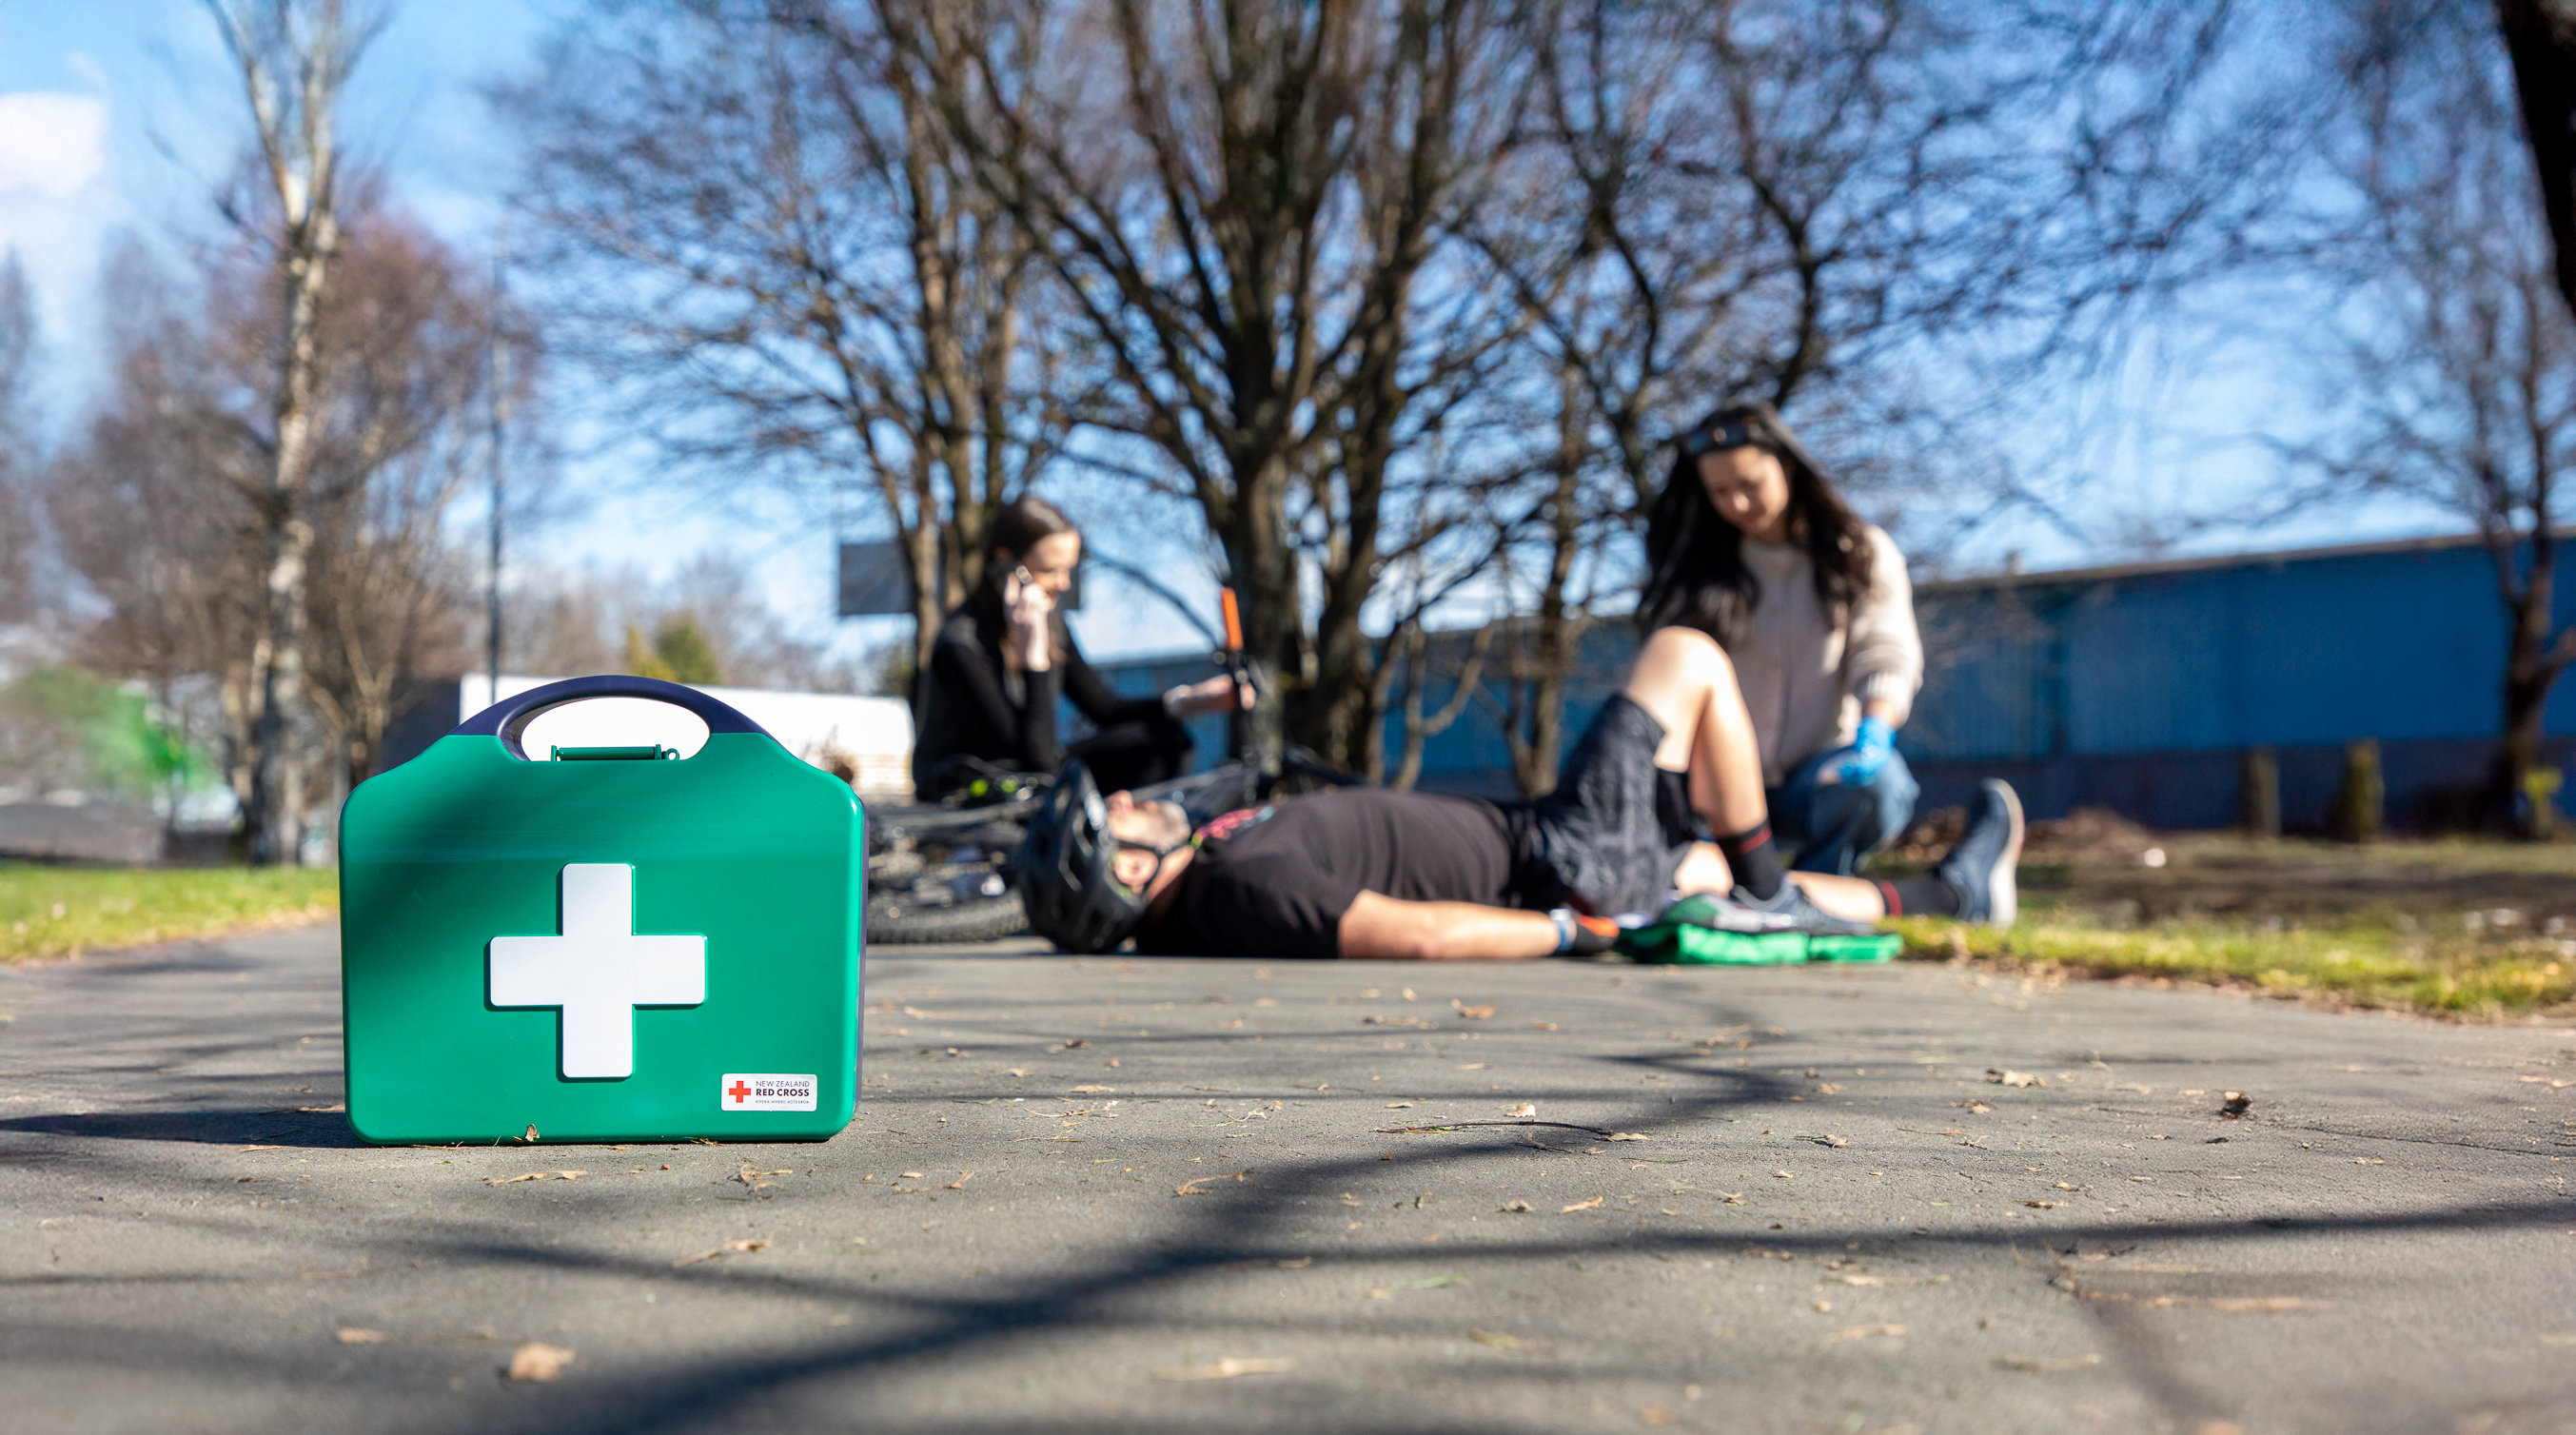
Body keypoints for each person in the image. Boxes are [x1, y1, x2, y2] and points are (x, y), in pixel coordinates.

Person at [1017, 615, 2024, 960]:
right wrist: (1572, 931)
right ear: (1129, 875)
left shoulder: (1222, 859)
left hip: (1559, 845)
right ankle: (1769, 890)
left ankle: (1951, 893)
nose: (1129, 800)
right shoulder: (1243, 882)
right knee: (1684, 653)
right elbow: (1424, 936)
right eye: (1114, 820)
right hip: (1559, 856)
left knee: (1703, 861)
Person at [1638, 402, 1923, 875]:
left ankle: (1818, 891)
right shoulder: (1695, 572)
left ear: (1788, 465)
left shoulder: (1859, 552)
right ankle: (1736, 891)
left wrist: (1875, 731)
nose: (1737, 504)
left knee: (1881, 788)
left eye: (1750, 484)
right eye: (1720, 491)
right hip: (1719, 788)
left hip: (1817, 777)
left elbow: (1885, 649)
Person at [910, 496, 1245, 801]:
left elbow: (1103, 706)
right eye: (1050, 570)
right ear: (1005, 565)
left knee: (1165, 742)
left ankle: (1144, 840)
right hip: (976, 785)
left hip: (1036, 773)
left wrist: (1188, 701)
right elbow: (1033, 759)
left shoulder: (1052, 623)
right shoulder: (962, 643)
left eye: (1068, 569)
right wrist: (1034, 659)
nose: (1064, 583)